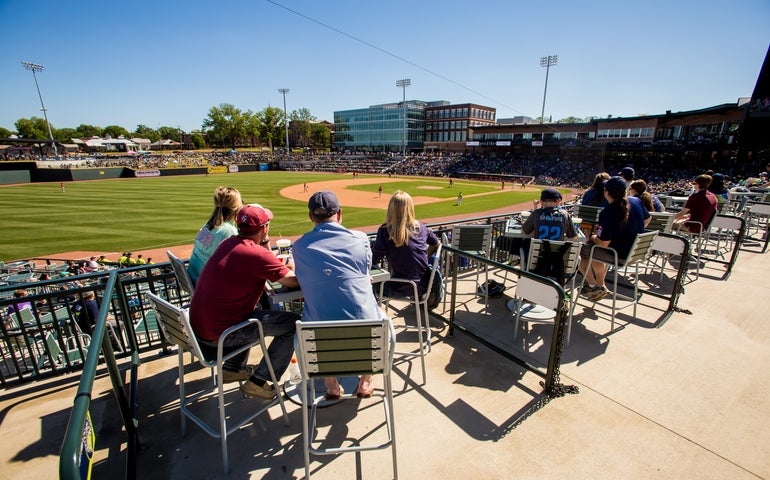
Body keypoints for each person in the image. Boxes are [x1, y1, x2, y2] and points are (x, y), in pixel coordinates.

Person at [189, 204, 300, 399]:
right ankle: (259, 381)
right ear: (264, 228)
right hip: (220, 337)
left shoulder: (229, 243)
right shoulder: (255, 254)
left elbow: (258, 259)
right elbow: (292, 281)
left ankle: (233, 368)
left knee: (254, 309)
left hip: (200, 332)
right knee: (293, 324)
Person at [292, 191, 383, 398]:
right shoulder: (360, 239)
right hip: (367, 344)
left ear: (311, 217)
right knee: (376, 311)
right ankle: (365, 382)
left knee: (318, 316)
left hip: (319, 348)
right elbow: (364, 269)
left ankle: (331, 385)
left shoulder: (299, 246)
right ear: (339, 214)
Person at [579, 176, 650, 301]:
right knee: (593, 250)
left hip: (619, 255)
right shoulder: (636, 201)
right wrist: (632, 230)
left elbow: (602, 243)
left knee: (581, 250)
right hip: (636, 252)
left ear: (606, 192)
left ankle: (594, 285)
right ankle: (601, 286)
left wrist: (592, 236)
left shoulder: (609, 211)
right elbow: (648, 218)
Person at [372, 191, 440, 298]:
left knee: (368, 282)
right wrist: (425, 256)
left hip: (401, 288)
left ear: (391, 209)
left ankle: (378, 314)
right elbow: (436, 243)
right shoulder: (421, 227)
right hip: (423, 286)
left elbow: (373, 259)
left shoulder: (386, 230)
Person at [187, 186, 243, 285]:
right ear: (237, 206)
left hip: (197, 283)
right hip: (209, 288)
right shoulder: (229, 231)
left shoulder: (207, 225)